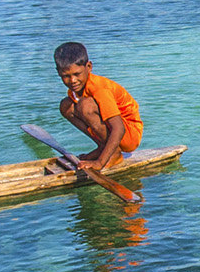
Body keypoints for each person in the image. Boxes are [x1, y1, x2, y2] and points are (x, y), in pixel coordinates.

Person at [51, 42, 142, 175]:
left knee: (85, 106)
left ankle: (114, 154)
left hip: (129, 133)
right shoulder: (75, 91)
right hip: (117, 132)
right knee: (66, 106)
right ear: (58, 72)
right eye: (66, 76)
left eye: (77, 74)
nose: (73, 80)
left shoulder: (100, 89)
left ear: (89, 67)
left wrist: (99, 163)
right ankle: (103, 147)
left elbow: (119, 128)